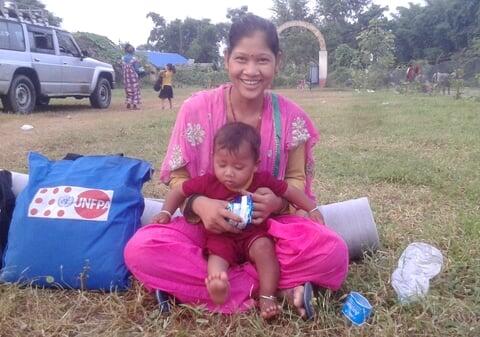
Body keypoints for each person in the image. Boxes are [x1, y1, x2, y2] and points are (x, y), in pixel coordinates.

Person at [124, 14, 349, 320]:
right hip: (205, 233)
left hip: (266, 231)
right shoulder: (195, 109)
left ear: (277, 62)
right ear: (227, 58)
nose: (251, 71)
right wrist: (201, 204)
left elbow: (294, 180)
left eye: (262, 60)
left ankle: (205, 288)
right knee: (141, 249)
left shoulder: (291, 117)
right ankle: (275, 290)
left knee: (333, 251)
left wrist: (278, 203)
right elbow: (180, 180)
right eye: (241, 59)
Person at [153, 122, 324, 319]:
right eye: (222, 164)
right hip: (220, 238)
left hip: (253, 236)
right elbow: (179, 191)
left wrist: (312, 207)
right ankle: (219, 288)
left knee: (265, 249)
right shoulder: (208, 182)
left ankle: (267, 295)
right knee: (216, 263)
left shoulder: (262, 180)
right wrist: (166, 212)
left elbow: (289, 191)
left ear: (255, 165)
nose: (228, 173)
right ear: (213, 159)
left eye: (238, 166)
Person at [121, 43, 141, 109]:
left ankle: (128, 102)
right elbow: (137, 69)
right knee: (135, 90)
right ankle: (135, 105)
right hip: (133, 76)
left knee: (128, 89)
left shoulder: (123, 58)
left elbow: (122, 67)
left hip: (126, 77)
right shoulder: (134, 59)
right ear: (133, 51)